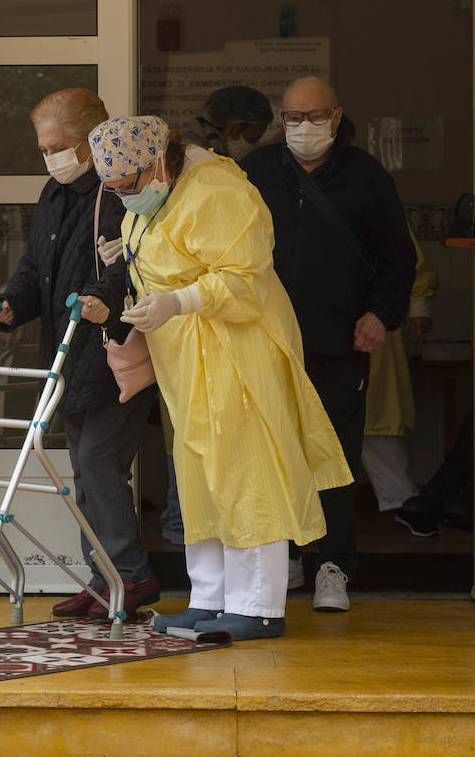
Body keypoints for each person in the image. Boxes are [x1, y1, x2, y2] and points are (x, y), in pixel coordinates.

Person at [89, 114, 350, 640]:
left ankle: (257, 605)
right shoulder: (153, 196)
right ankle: (209, 598)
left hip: (237, 350)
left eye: (127, 186)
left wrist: (178, 300)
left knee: (248, 471)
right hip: (186, 358)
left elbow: (244, 275)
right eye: (111, 190)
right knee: (200, 477)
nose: (122, 197)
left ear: (157, 162)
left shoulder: (215, 188)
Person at [239, 77, 416, 612]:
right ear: (280, 119)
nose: (304, 127)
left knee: (334, 457)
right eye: (293, 117)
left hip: (340, 344)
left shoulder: (367, 178)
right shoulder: (255, 172)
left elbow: (397, 259)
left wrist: (379, 314)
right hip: (266, 344)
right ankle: (286, 556)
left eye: (315, 117)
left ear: (337, 120)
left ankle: (332, 566)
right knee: (273, 455)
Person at [0, 88, 161, 619]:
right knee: (87, 472)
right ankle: (104, 577)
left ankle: (131, 576)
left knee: (98, 463)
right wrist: (11, 305)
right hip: (67, 353)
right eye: (44, 149)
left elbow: (132, 265)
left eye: (59, 147)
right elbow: (34, 265)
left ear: (91, 141)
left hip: (111, 347)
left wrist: (102, 301)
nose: (52, 158)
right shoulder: (54, 193)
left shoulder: (117, 191)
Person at [362, 230, 438, 535]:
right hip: (312, 328)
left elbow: (408, 259)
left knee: (378, 417)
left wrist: (419, 307)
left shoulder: (372, 197)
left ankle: (406, 502)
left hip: (372, 322)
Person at [183, 85, 275, 161]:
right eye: (253, 139)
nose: (255, 146)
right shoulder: (194, 156)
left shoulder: (211, 148)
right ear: (234, 128)